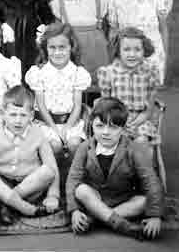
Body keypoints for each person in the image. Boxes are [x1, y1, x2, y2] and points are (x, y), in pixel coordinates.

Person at [66, 97, 163, 240]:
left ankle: (98, 218)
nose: (106, 132)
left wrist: (155, 215)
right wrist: (74, 210)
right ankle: (121, 225)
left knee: (143, 201)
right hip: (94, 198)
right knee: (81, 190)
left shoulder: (134, 149)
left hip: (123, 200)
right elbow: (73, 179)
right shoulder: (84, 147)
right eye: (100, 126)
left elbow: (150, 180)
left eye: (113, 127)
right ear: (91, 125)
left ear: (123, 129)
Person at [0, 86, 60, 224]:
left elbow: (52, 167)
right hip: (2, 185)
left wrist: (53, 195)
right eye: (13, 115)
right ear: (3, 114)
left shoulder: (38, 134)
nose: (18, 120)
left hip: (28, 188)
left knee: (47, 171)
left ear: (31, 115)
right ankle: (24, 208)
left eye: (23, 115)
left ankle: (7, 204)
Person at [107, 0, 173, 85]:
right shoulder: (114, 1)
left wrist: (164, 56)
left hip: (153, 56)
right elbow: (113, 31)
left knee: (149, 94)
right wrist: (113, 58)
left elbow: (163, 29)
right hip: (126, 55)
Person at [25, 22, 91, 155]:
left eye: (62, 47)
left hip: (71, 122)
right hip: (46, 123)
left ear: (71, 47)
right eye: (52, 48)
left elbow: (77, 106)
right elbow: (41, 105)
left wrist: (66, 129)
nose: (57, 52)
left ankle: (74, 173)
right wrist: (55, 129)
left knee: (74, 144)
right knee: (54, 145)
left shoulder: (78, 72)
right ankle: (52, 172)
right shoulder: (38, 72)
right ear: (45, 48)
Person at [50, 0, 109, 83]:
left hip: (96, 52)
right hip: (71, 52)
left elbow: (106, 29)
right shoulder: (58, 3)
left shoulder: (100, 0)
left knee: (96, 86)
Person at [97, 27, 160, 147]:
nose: (132, 54)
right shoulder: (108, 73)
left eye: (137, 50)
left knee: (141, 141)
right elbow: (105, 105)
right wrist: (120, 122)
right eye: (126, 49)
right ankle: (118, 163)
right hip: (115, 121)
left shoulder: (150, 72)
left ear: (144, 50)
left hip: (141, 121)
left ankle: (141, 165)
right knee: (117, 142)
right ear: (118, 51)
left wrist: (139, 120)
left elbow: (149, 108)